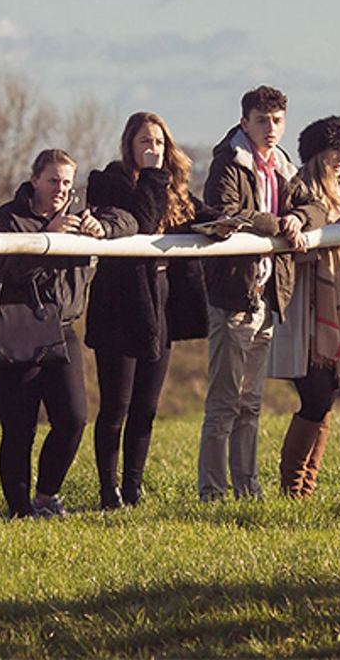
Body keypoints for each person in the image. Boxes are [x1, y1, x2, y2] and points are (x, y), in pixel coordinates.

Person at [0, 148, 135, 518]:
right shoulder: (10, 216)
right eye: (53, 180)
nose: (60, 188)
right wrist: (46, 238)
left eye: (67, 182)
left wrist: (101, 228)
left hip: (63, 327)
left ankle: (46, 496)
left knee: (73, 419)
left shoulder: (80, 213)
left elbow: (129, 222)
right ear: (34, 179)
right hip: (17, 327)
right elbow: (7, 269)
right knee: (19, 429)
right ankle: (19, 511)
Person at [198, 86, 326, 502]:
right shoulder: (228, 162)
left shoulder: (284, 166)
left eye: (277, 121)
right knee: (223, 403)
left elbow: (317, 208)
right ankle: (213, 492)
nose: (271, 129)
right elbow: (226, 212)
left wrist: (298, 218)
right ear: (244, 122)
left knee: (250, 402)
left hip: (269, 296)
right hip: (234, 295)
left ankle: (247, 487)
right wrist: (279, 224)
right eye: (262, 120)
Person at [85, 112, 211, 510]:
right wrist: (155, 176)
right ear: (129, 144)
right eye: (145, 142)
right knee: (116, 406)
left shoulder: (175, 189)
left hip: (160, 303)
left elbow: (203, 215)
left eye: (158, 142)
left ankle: (134, 490)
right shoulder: (109, 182)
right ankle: (108, 493)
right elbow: (141, 220)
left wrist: (248, 224)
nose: (153, 149)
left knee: (147, 406)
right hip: (119, 305)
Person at [273, 115, 340, 499]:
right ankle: (292, 488)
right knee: (314, 398)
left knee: (325, 398)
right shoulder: (300, 189)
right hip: (307, 312)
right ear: (317, 153)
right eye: (334, 150)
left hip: (338, 309)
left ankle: (304, 489)